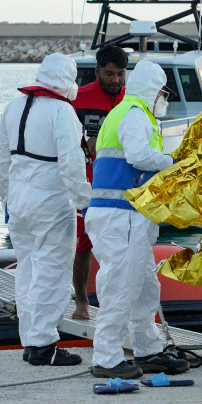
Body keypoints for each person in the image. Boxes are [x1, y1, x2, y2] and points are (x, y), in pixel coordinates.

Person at [84, 60, 190, 379]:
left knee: (144, 287)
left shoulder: (128, 112)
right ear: (152, 90)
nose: (163, 98)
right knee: (120, 285)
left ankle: (148, 350)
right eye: (162, 92)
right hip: (122, 217)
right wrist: (174, 161)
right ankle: (107, 357)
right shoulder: (134, 114)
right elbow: (138, 156)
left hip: (126, 216)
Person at [0, 53, 92, 367]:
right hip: (51, 202)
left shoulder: (12, 107)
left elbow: (0, 161)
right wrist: (85, 203)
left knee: (27, 272)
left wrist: (7, 198)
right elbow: (72, 164)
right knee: (52, 273)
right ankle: (44, 344)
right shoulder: (62, 111)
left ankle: (31, 341)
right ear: (68, 81)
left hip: (18, 202)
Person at [69, 44, 127, 319]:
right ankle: (82, 301)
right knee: (84, 244)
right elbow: (65, 141)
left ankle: (115, 305)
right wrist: (84, 148)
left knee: (120, 246)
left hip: (122, 186)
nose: (115, 79)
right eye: (109, 73)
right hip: (86, 185)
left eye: (120, 73)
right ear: (97, 71)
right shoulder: (78, 99)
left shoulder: (131, 101)